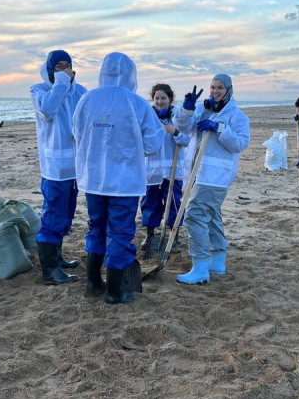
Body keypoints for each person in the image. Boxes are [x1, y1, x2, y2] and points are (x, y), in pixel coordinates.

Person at [73, 52, 164, 304]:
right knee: (120, 232)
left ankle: (93, 283)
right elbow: (153, 143)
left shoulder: (87, 99)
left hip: (93, 179)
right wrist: (130, 146)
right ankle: (115, 291)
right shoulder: (136, 103)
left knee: (96, 227)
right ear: (131, 75)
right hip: (125, 181)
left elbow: (76, 132)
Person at [173, 74, 250, 285]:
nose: (215, 92)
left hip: (215, 175)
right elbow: (183, 127)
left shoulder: (236, 116)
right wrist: (187, 109)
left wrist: (220, 129)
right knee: (211, 214)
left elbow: (240, 144)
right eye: (212, 87)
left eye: (220, 88)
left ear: (228, 90)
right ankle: (217, 261)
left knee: (194, 216)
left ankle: (200, 267)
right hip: (196, 172)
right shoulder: (202, 109)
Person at [29, 49, 87, 285]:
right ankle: (49, 270)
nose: (64, 71)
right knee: (53, 214)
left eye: (67, 66)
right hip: (54, 168)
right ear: (50, 69)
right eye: (58, 67)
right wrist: (62, 81)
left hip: (76, 166)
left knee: (67, 212)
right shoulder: (40, 90)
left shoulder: (80, 91)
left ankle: (58, 257)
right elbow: (48, 109)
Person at [141, 83, 190, 259]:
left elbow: (187, 140)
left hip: (173, 169)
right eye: (157, 98)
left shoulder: (178, 117)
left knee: (173, 202)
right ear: (152, 99)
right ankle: (150, 233)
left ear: (170, 99)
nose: (160, 101)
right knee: (150, 202)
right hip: (152, 170)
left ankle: (173, 234)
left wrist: (175, 132)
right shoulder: (148, 116)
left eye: (163, 98)